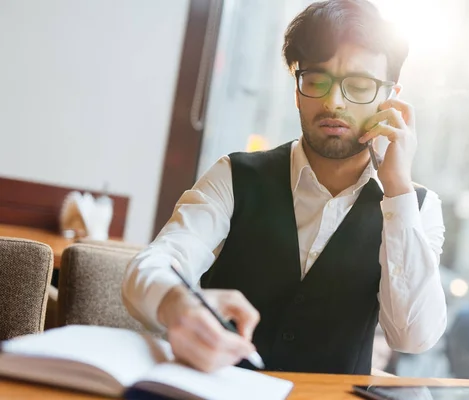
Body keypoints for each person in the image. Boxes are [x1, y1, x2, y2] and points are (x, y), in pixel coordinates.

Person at [122, 0, 447, 375]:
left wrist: (398, 190)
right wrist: (181, 305)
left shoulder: (417, 206)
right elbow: (151, 265)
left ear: (390, 99)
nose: (333, 102)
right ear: (297, 89)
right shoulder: (234, 175)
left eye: (358, 85)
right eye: (315, 81)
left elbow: (413, 337)